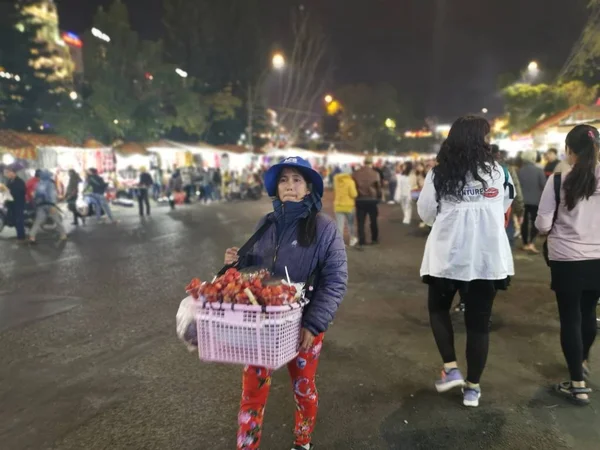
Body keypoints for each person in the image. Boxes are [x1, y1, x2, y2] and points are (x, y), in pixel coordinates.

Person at [224, 156, 347, 450]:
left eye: (296, 180)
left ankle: (302, 441)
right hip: (263, 324)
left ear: (307, 189)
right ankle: (247, 446)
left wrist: (314, 323)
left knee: (303, 387)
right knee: (252, 391)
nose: (289, 185)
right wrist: (237, 262)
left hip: (305, 323)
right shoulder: (266, 223)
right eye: (283, 180)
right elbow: (259, 263)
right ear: (276, 188)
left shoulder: (324, 228)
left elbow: (335, 279)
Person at [417, 116, 514, 408]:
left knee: (438, 308)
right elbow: (506, 205)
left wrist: (451, 219)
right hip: (486, 258)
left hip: (448, 256)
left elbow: (425, 213)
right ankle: (473, 388)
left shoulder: (439, 175)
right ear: (483, 140)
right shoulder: (499, 172)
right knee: (478, 324)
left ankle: (450, 367)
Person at [535, 124, 600, 405]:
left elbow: (542, 224)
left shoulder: (559, 180)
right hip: (598, 257)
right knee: (588, 313)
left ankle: (577, 383)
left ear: (568, 151)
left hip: (567, 259)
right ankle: (582, 360)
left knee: (570, 318)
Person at [518, 150, 546, 253]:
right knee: (535, 222)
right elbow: (544, 185)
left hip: (523, 201)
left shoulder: (520, 171)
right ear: (534, 158)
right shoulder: (539, 171)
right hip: (536, 201)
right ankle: (531, 243)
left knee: (524, 223)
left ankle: (525, 243)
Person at [29, 170, 67, 243]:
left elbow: (35, 195)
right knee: (57, 220)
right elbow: (52, 195)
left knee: (37, 221)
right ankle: (63, 235)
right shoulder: (50, 184)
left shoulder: (37, 184)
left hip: (40, 206)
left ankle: (32, 237)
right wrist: (53, 205)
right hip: (49, 205)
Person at [352, 156, 381, 247]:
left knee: (360, 221)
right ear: (371, 163)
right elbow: (378, 187)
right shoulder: (375, 173)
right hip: (372, 200)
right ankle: (374, 239)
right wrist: (379, 197)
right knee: (373, 220)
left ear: (364, 163)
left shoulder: (356, 173)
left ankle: (362, 240)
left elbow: (354, 186)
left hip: (360, 199)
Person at [333, 166, 359, 247]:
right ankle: (352, 239)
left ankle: (340, 243)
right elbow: (354, 194)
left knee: (340, 225)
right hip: (349, 206)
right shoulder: (350, 182)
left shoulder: (336, 180)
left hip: (338, 206)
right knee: (350, 224)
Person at [4, 164, 27, 242]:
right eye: (6, 173)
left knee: (19, 220)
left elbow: (20, 192)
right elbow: (7, 189)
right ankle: (19, 235)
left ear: (13, 173)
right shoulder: (9, 181)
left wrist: (9, 191)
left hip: (18, 204)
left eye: (8, 172)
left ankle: (21, 237)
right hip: (11, 204)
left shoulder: (19, 182)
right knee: (14, 219)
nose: (7, 174)